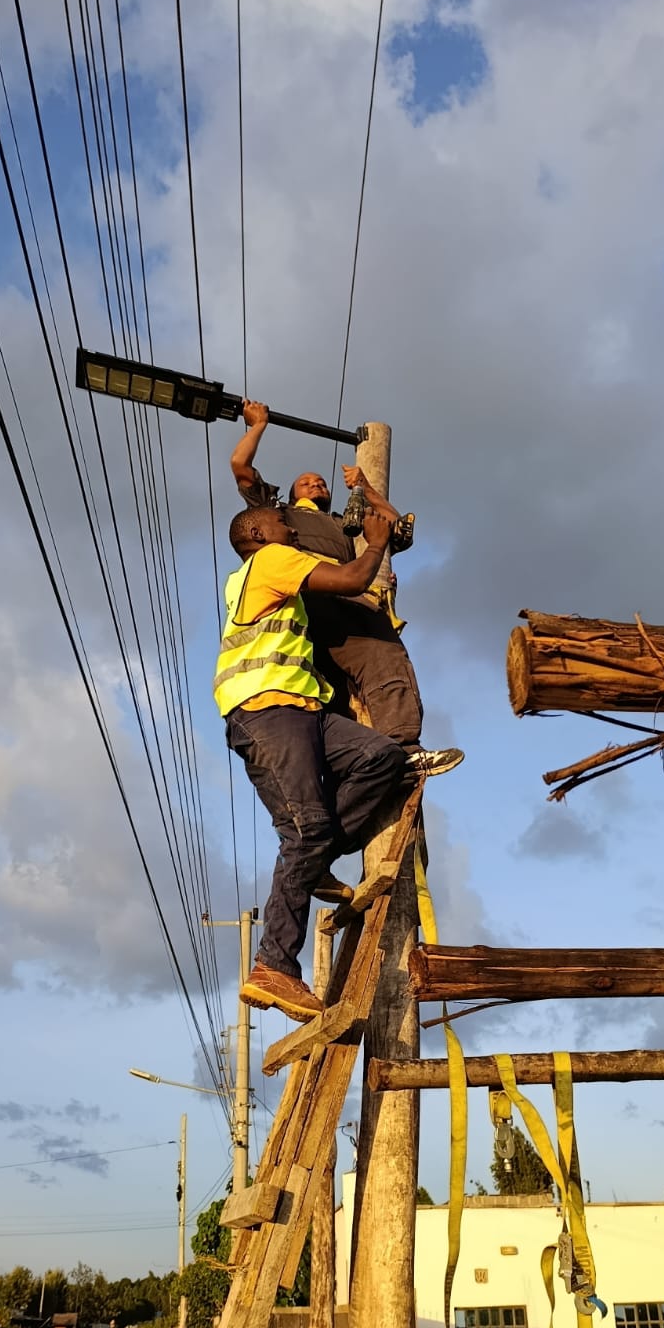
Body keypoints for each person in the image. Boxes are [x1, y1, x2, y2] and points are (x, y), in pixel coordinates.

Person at [215, 497, 413, 1021]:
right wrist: (375, 543)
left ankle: (317, 860)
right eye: (282, 523)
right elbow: (350, 578)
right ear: (259, 534)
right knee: (306, 831)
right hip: (269, 711)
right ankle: (274, 965)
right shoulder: (270, 560)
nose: (292, 528)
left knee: (380, 757)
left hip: (304, 711)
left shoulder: (269, 573)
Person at [231, 401, 462, 776]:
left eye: (321, 482)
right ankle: (394, 753)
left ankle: (379, 761)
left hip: (337, 598)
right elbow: (241, 466)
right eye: (306, 482)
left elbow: (395, 529)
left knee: (352, 682)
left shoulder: (344, 524)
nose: (316, 483)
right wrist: (258, 425)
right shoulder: (278, 516)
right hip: (308, 594)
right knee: (376, 654)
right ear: (291, 494)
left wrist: (366, 489)